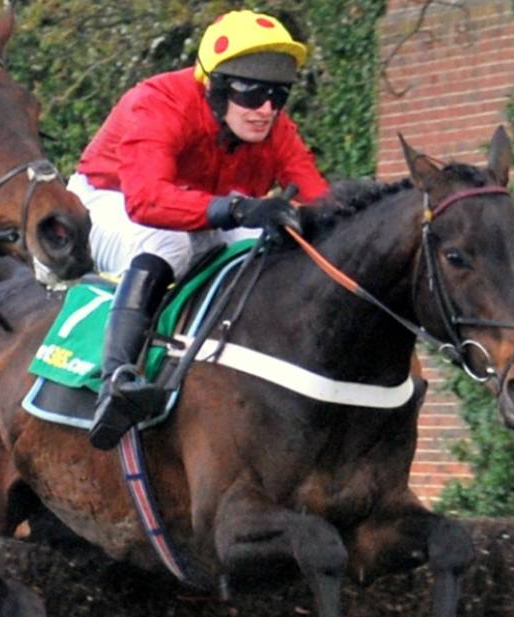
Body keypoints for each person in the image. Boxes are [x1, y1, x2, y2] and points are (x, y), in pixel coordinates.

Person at [72, 10, 331, 450]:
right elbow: (146, 200)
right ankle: (116, 383)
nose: (266, 109)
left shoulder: (276, 127)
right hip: (109, 200)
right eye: (251, 93)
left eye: (278, 95)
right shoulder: (158, 102)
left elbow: (320, 199)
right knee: (168, 242)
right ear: (215, 86)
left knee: (273, 248)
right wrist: (238, 208)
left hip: (209, 210)